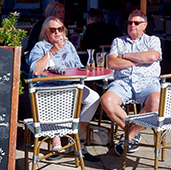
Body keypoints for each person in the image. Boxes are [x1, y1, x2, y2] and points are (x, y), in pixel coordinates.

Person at [28, 17, 101, 162]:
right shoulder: (40, 47)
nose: (56, 33)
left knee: (94, 97)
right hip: (47, 89)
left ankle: (74, 137)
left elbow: (77, 66)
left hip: (70, 86)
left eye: (59, 29)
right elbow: (35, 70)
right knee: (60, 98)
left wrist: (87, 69)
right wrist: (53, 51)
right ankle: (57, 143)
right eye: (52, 30)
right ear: (46, 32)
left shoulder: (68, 46)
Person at [101, 10, 161, 156]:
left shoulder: (153, 40)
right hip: (123, 82)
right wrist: (141, 59)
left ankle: (129, 136)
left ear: (144, 25)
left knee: (156, 102)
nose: (132, 25)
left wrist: (125, 56)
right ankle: (134, 133)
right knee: (106, 100)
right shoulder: (118, 41)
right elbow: (112, 63)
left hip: (148, 82)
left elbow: (153, 56)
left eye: (136, 22)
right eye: (129, 22)